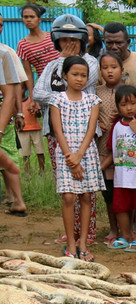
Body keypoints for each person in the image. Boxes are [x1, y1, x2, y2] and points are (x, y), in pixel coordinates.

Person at [33, 14, 99, 245]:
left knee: (86, 188)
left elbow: (83, 83)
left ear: (83, 40)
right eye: (64, 39)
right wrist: (62, 64)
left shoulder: (90, 62)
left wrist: (60, 85)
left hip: (84, 136)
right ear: (56, 41)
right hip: (57, 134)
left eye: (74, 39)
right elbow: (37, 94)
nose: (69, 43)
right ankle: (71, 233)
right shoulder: (54, 64)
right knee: (68, 187)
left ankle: (87, 233)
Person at [50, 55, 102, 262]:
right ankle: (70, 243)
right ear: (65, 75)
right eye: (75, 74)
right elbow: (57, 130)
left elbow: (92, 129)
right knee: (69, 197)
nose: (79, 79)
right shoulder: (57, 99)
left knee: (87, 197)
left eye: (83, 75)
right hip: (65, 153)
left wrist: (79, 155)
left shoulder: (92, 100)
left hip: (87, 152)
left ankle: (82, 243)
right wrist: (71, 158)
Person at [103, 85, 136, 253]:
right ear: (118, 107)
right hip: (122, 178)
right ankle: (125, 236)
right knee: (120, 207)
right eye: (124, 105)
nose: (129, 108)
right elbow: (113, 150)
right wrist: (100, 168)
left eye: (132, 103)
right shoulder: (116, 126)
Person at [95, 51, 126, 245]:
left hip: (125, 153)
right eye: (105, 68)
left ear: (122, 70)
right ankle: (113, 228)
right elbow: (91, 117)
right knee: (109, 194)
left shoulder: (129, 90)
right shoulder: (97, 92)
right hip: (103, 151)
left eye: (114, 67)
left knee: (124, 192)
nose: (109, 71)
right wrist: (99, 125)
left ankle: (127, 228)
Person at [0, 14, 28, 217]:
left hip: (3, 119)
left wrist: (18, 113)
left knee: (8, 158)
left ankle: (17, 200)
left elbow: (14, 89)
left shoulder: (6, 53)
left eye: (1, 24)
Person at [17, 3, 58, 103]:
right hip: (45, 87)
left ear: (39, 19)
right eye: (25, 17)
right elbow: (28, 74)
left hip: (64, 81)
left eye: (32, 17)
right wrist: (32, 98)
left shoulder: (52, 37)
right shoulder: (23, 44)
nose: (28, 20)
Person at [102, 23, 136, 93]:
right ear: (104, 43)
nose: (114, 47)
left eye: (118, 43)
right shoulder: (101, 67)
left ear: (127, 42)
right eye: (109, 43)